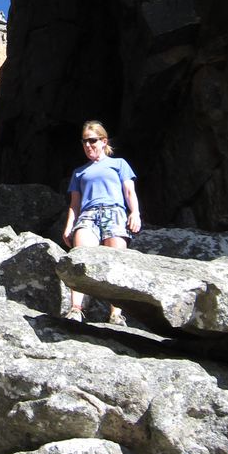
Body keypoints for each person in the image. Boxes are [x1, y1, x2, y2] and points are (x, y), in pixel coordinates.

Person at [61, 121, 141, 323]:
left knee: (116, 262)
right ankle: (76, 309)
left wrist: (135, 213)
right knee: (80, 258)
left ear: (104, 141)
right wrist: (69, 226)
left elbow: (129, 191)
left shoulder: (119, 164)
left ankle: (116, 313)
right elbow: (74, 204)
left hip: (114, 213)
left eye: (92, 140)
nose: (88, 145)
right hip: (88, 215)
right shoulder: (79, 172)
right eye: (84, 142)